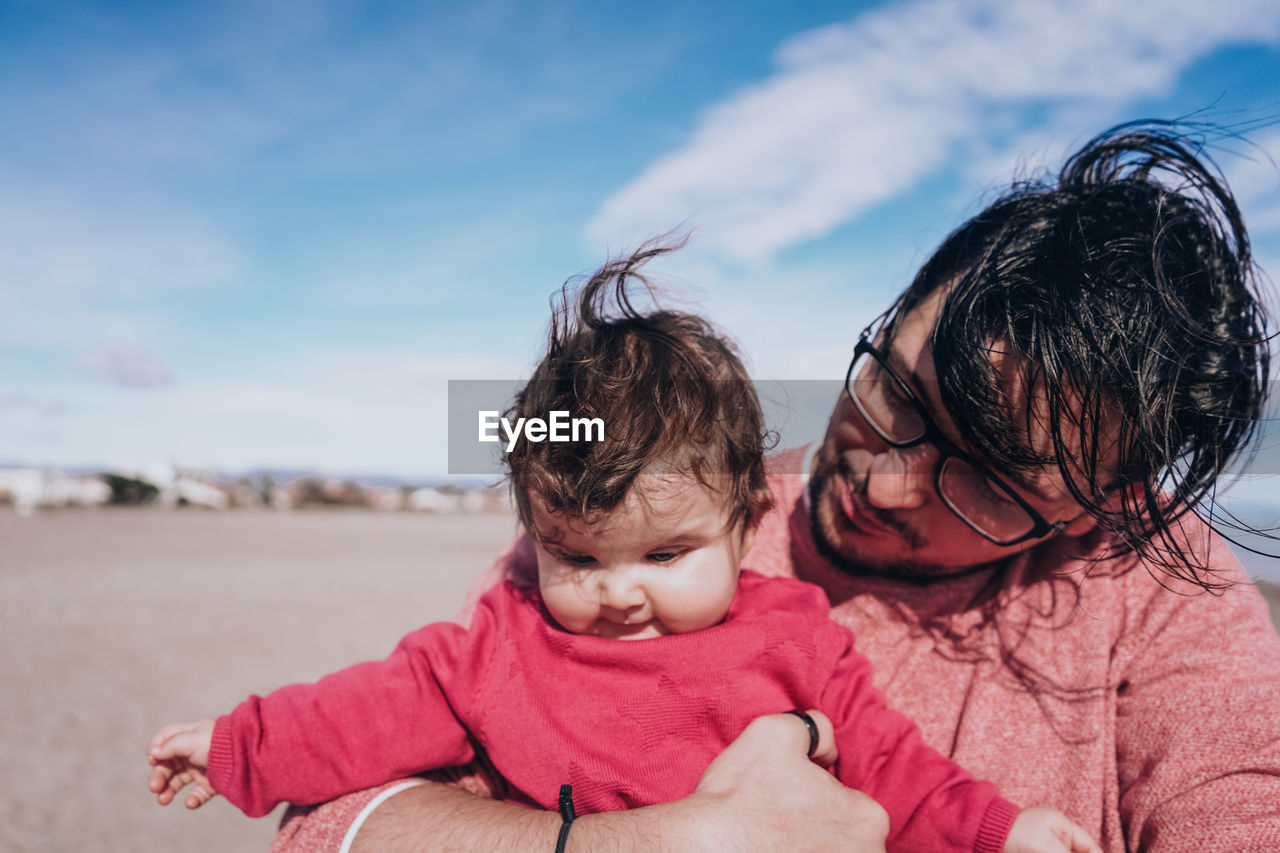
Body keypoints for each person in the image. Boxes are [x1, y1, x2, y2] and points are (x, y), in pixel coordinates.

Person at [263, 121, 1280, 853]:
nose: (882, 480)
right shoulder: (669, 503)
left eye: (984, 479)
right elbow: (332, 824)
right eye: (894, 393)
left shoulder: (1166, 614)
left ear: (1098, 509)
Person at [146, 248, 1100, 853]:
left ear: (743, 521)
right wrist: (238, 744)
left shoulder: (797, 642)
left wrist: (1000, 830)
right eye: (579, 557)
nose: (618, 593)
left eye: (665, 555)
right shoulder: (500, 642)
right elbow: (358, 717)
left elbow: (897, 765)